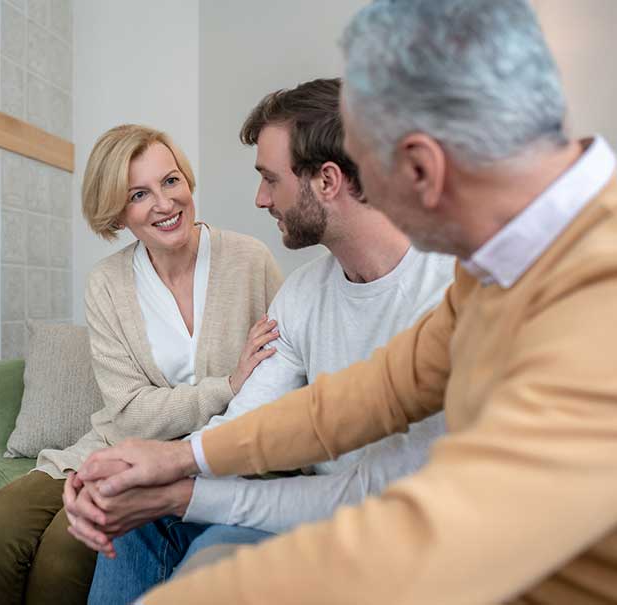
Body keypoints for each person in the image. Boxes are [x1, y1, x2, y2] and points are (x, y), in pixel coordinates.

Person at [75, 1, 617, 603]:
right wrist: (176, 462)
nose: (366, 192)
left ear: (421, 167)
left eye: (370, 166)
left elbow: (428, 525)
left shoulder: (597, 301)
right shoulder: (497, 270)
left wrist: (183, 516)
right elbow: (362, 399)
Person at [71, 79, 454, 605]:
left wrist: (179, 487)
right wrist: (134, 475)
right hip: (312, 516)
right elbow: (243, 426)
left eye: (270, 180)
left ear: (327, 180)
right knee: (142, 520)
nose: (259, 199)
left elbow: (383, 492)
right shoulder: (302, 295)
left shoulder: (451, 290)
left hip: (415, 533)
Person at [0, 124, 283, 605]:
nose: (165, 204)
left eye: (171, 181)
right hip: (117, 444)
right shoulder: (107, 283)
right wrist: (229, 383)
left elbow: (284, 368)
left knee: (66, 551)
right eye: (139, 194)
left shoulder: (249, 261)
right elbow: (130, 413)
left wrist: (240, 395)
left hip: (206, 455)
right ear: (117, 211)